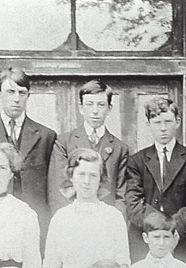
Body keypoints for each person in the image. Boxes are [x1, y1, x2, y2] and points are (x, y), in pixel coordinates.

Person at [0, 67, 56, 238]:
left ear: (28, 96)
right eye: (10, 92)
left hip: (36, 223)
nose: (16, 99)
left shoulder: (47, 136)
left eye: (22, 93)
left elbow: (52, 188)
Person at [126, 97, 186, 265]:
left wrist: (173, 231)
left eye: (168, 121)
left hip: (181, 239)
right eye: (157, 122)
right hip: (145, 239)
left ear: (177, 122)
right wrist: (155, 231)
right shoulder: (137, 161)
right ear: (148, 124)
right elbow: (133, 202)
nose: (163, 128)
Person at [48, 79, 129, 216]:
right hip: (73, 220)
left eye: (101, 105)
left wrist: (112, 220)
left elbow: (122, 196)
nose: (95, 111)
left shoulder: (119, 148)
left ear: (109, 108)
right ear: (81, 107)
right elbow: (58, 190)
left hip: (105, 221)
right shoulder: (64, 142)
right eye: (90, 104)